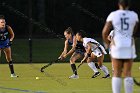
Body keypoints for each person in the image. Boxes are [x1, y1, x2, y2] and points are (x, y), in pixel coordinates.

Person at [102, 0, 139, 93]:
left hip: (117, 45)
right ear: (128, 5)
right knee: (128, 73)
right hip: (129, 45)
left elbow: (105, 32)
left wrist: (106, 43)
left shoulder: (113, 14)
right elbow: (135, 29)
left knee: (117, 72)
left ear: (119, 4)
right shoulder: (134, 15)